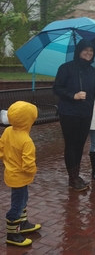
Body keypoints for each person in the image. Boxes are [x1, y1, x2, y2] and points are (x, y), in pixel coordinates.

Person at [53, 39, 95, 191]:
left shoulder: (92, 71)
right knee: (71, 145)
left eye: (91, 51)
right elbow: (57, 88)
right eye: (86, 50)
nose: (89, 53)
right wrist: (73, 95)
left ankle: (76, 175)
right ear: (79, 51)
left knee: (80, 145)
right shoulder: (66, 68)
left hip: (86, 113)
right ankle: (72, 178)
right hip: (69, 112)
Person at [0, 101, 41, 247]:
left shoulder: (8, 131)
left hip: (11, 175)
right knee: (17, 205)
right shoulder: (26, 141)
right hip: (21, 178)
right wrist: (33, 171)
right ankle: (13, 234)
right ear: (29, 120)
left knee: (22, 199)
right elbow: (28, 164)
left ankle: (23, 224)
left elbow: (1, 148)